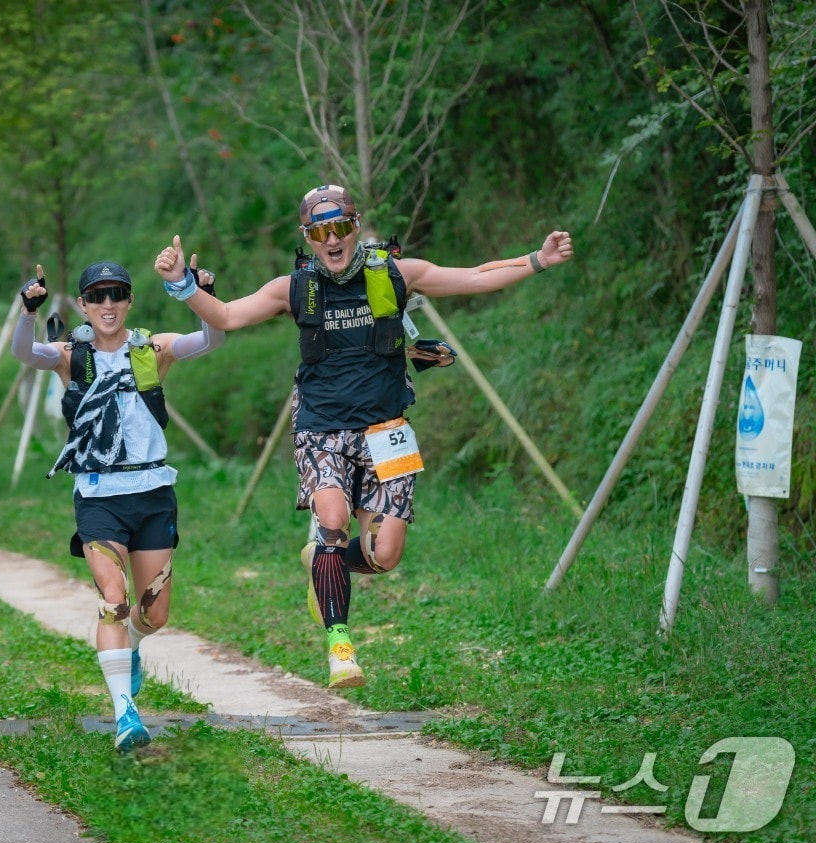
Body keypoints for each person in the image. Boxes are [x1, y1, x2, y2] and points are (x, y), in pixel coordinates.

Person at [172, 184, 574, 689]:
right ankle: (340, 646)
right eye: (320, 231)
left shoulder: (396, 274)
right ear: (308, 237)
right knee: (333, 520)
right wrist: (184, 285)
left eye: (341, 226)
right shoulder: (292, 288)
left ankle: (324, 561)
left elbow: (474, 277)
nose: (332, 239)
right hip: (321, 427)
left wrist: (537, 259)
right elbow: (228, 315)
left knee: (384, 555)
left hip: (388, 430)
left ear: (355, 225)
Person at [11, 246, 224, 753]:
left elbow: (213, 339)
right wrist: (27, 311)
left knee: (153, 615)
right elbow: (23, 353)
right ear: (83, 305)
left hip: (153, 492)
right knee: (114, 601)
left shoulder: (156, 348)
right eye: (96, 296)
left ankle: (131, 648)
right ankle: (126, 714)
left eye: (117, 295)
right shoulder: (71, 356)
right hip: (99, 494)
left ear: (129, 302)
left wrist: (202, 294)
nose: (107, 304)